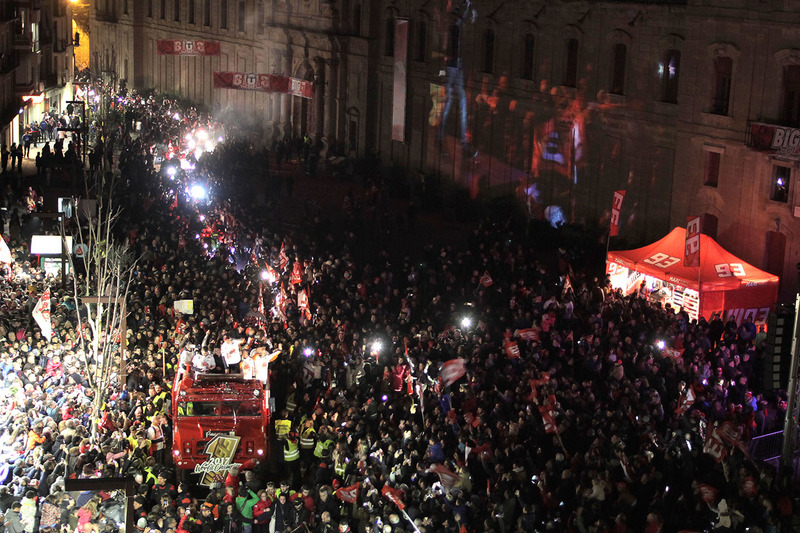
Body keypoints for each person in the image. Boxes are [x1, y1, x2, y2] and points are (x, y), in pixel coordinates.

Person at [437, 0, 477, 156]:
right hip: (451, 67)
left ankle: (463, 144)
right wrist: (466, 8)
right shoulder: (451, 20)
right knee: (448, 103)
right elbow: (456, 23)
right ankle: (441, 140)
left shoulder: (454, 19)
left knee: (462, 102)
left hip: (457, 65)